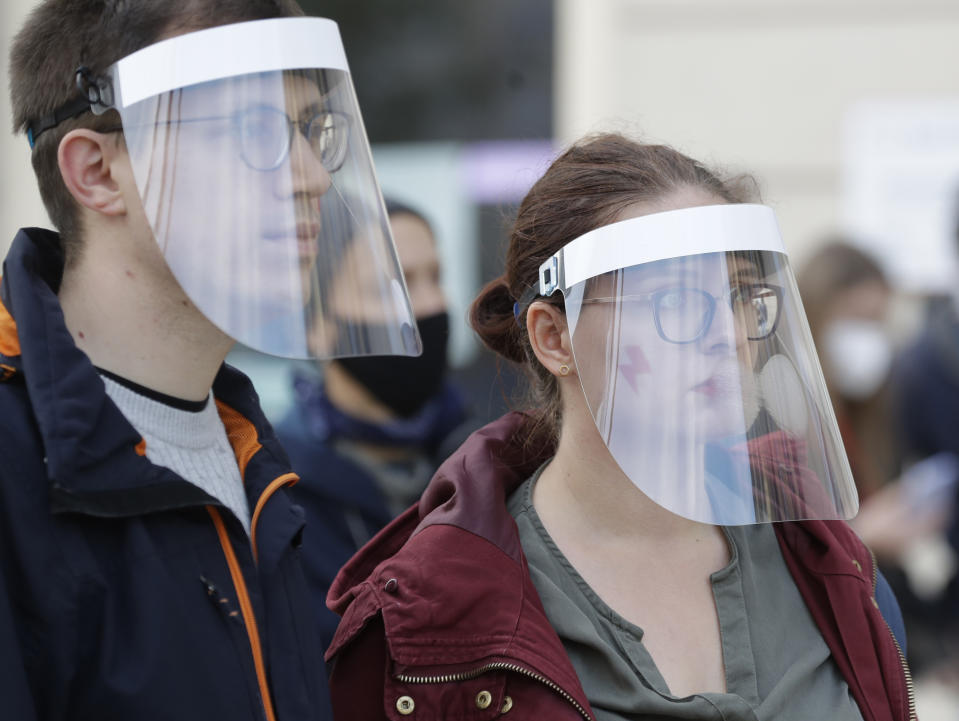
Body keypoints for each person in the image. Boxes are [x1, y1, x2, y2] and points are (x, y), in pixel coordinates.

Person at [324, 134, 913, 721]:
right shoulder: (427, 621)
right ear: (554, 337)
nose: (731, 336)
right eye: (677, 300)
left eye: (739, 295)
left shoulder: (829, 565)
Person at [1, 2, 421, 720]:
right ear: (97, 171)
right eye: (254, 128)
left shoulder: (253, 455)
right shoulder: (13, 457)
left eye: (313, 130)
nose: (314, 175)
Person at [276, 198, 471, 657]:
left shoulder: (488, 462)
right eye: (394, 288)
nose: (429, 305)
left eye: (435, 277)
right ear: (316, 325)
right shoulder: (277, 496)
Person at [796, 240, 900, 499]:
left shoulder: (865, 413)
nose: (868, 338)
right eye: (857, 319)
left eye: (877, 322)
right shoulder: (784, 414)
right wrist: (866, 528)